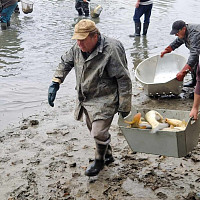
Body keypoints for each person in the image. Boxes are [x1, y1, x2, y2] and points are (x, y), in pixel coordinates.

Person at [48, 19, 132, 177]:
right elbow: (65, 62)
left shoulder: (111, 49)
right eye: (77, 40)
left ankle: (99, 161)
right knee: (94, 130)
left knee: (97, 132)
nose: (79, 44)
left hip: (106, 97)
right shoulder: (78, 47)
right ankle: (108, 155)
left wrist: (125, 105)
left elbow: (123, 78)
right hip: (86, 97)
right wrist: (55, 82)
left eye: (82, 40)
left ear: (94, 36)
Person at [160, 20, 200, 93]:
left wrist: (183, 72)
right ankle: (194, 82)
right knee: (193, 64)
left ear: (183, 28)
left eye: (177, 32)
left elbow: (194, 54)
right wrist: (167, 50)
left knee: (196, 64)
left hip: (197, 48)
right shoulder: (184, 33)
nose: (176, 34)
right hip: (197, 49)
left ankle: (198, 91)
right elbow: (178, 41)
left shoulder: (195, 34)